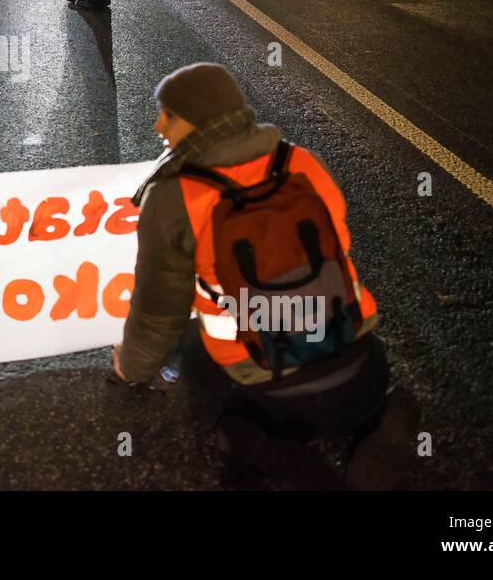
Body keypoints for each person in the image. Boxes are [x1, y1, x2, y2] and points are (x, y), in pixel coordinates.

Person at [114, 62, 417, 489]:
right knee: (346, 385)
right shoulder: (302, 163)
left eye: (169, 113)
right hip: (363, 365)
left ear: (201, 119)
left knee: (191, 347)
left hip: (274, 401)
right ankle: (371, 427)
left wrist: (131, 369)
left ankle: (280, 459)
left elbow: (157, 314)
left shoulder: (173, 198)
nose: (157, 123)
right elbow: (337, 249)